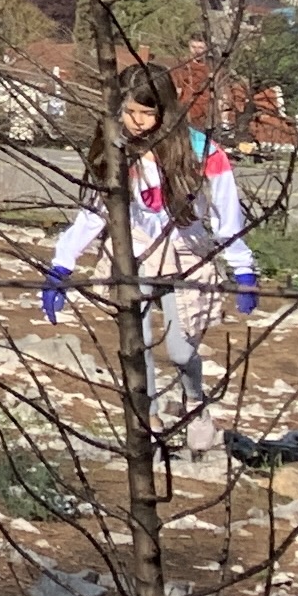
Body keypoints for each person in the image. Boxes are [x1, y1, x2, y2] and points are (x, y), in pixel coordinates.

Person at [43, 61, 260, 455]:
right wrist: (63, 264)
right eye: (130, 111)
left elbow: (227, 215)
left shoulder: (201, 151)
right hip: (133, 251)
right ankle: (151, 423)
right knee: (137, 343)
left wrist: (242, 268)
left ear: (165, 110)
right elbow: (94, 212)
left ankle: (196, 405)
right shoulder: (115, 148)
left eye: (148, 112)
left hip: (183, 253)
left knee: (179, 349)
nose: (138, 121)